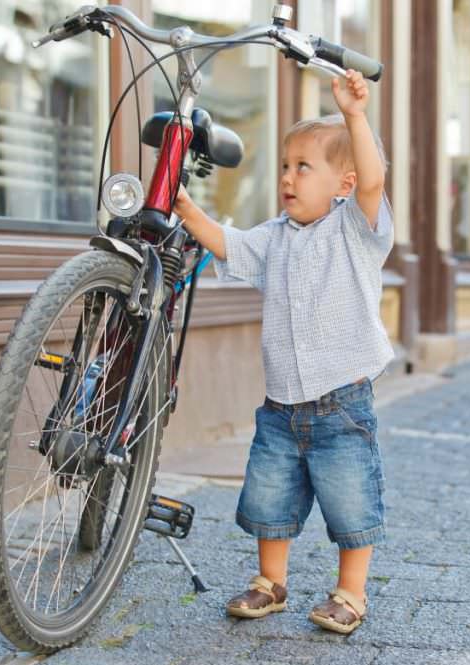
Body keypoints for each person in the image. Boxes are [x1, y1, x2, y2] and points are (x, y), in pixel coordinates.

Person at [173, 69, 391, 635]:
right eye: (286, 166)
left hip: (342, 403)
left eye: (303, 168)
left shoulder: (354, 230)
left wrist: (355, 117)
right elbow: (229, 244)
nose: (288, 178)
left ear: (340, 183)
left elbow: (372, 181)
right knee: (269, 499)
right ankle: (271, 583)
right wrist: (185, 207)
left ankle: (350, 593)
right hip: (281, 406)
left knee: (350, 503)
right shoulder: (275, 235)